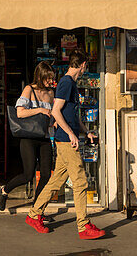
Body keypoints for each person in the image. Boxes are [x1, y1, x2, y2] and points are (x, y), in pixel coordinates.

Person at [25, 49, 105, 240]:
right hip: (66, 141)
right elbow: (56, 111)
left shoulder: (71, 85)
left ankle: (34, 214)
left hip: (66, 140)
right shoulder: (66, 83)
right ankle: (83, 225)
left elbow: (72, 114)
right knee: (80, 182)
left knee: (56, 181)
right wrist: (71, 134)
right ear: (83, 65)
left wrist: (86, 131)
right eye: (87, 66)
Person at [0, 61, 56, 212]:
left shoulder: (51, 93)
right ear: (40, 76)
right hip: (28, 137)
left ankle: (37, 210)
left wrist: (54, 123)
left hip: (45, 137)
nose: (50, 81)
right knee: (28, 174)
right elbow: (20, 112)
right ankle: (4, 191)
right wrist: (40, 110)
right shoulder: (29, 89)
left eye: (51, 78)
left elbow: (52, 114)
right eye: (48, 78)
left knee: (46, 175)